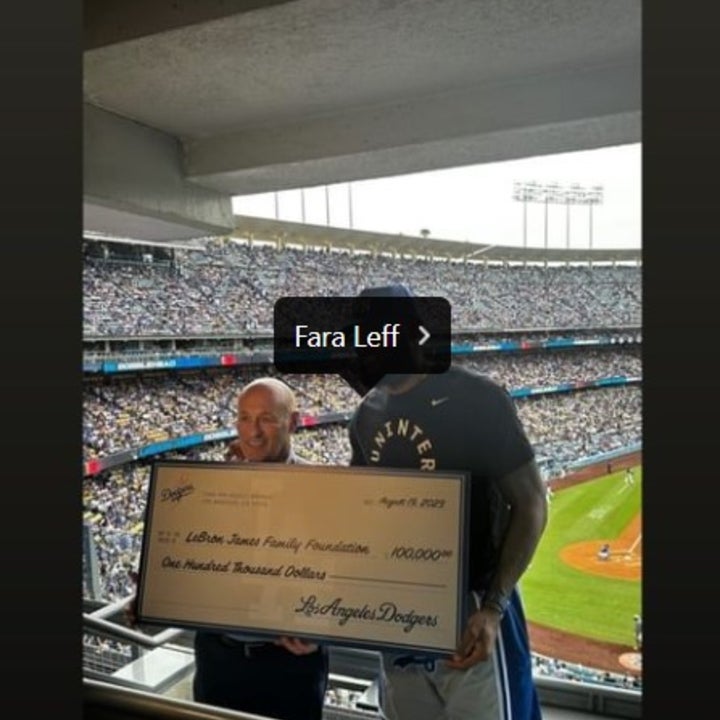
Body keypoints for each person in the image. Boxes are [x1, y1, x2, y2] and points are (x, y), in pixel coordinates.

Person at [346, 284, 548, 720]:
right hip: (398, 612)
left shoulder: (476, 397)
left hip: (472, 612)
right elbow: (357, 510)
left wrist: (494, 607)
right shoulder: (366, 414)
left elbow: (531, 504)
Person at [130, 378, 329, 720]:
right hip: (217, 659)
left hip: (290, 667)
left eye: (266, 418)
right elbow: (182, 561)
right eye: (244, 418)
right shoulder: (204, 488)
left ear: (293, 422)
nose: (252, 432)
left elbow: (346, 584)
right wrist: (154, 594)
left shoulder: (329, 491)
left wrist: (323, 633)